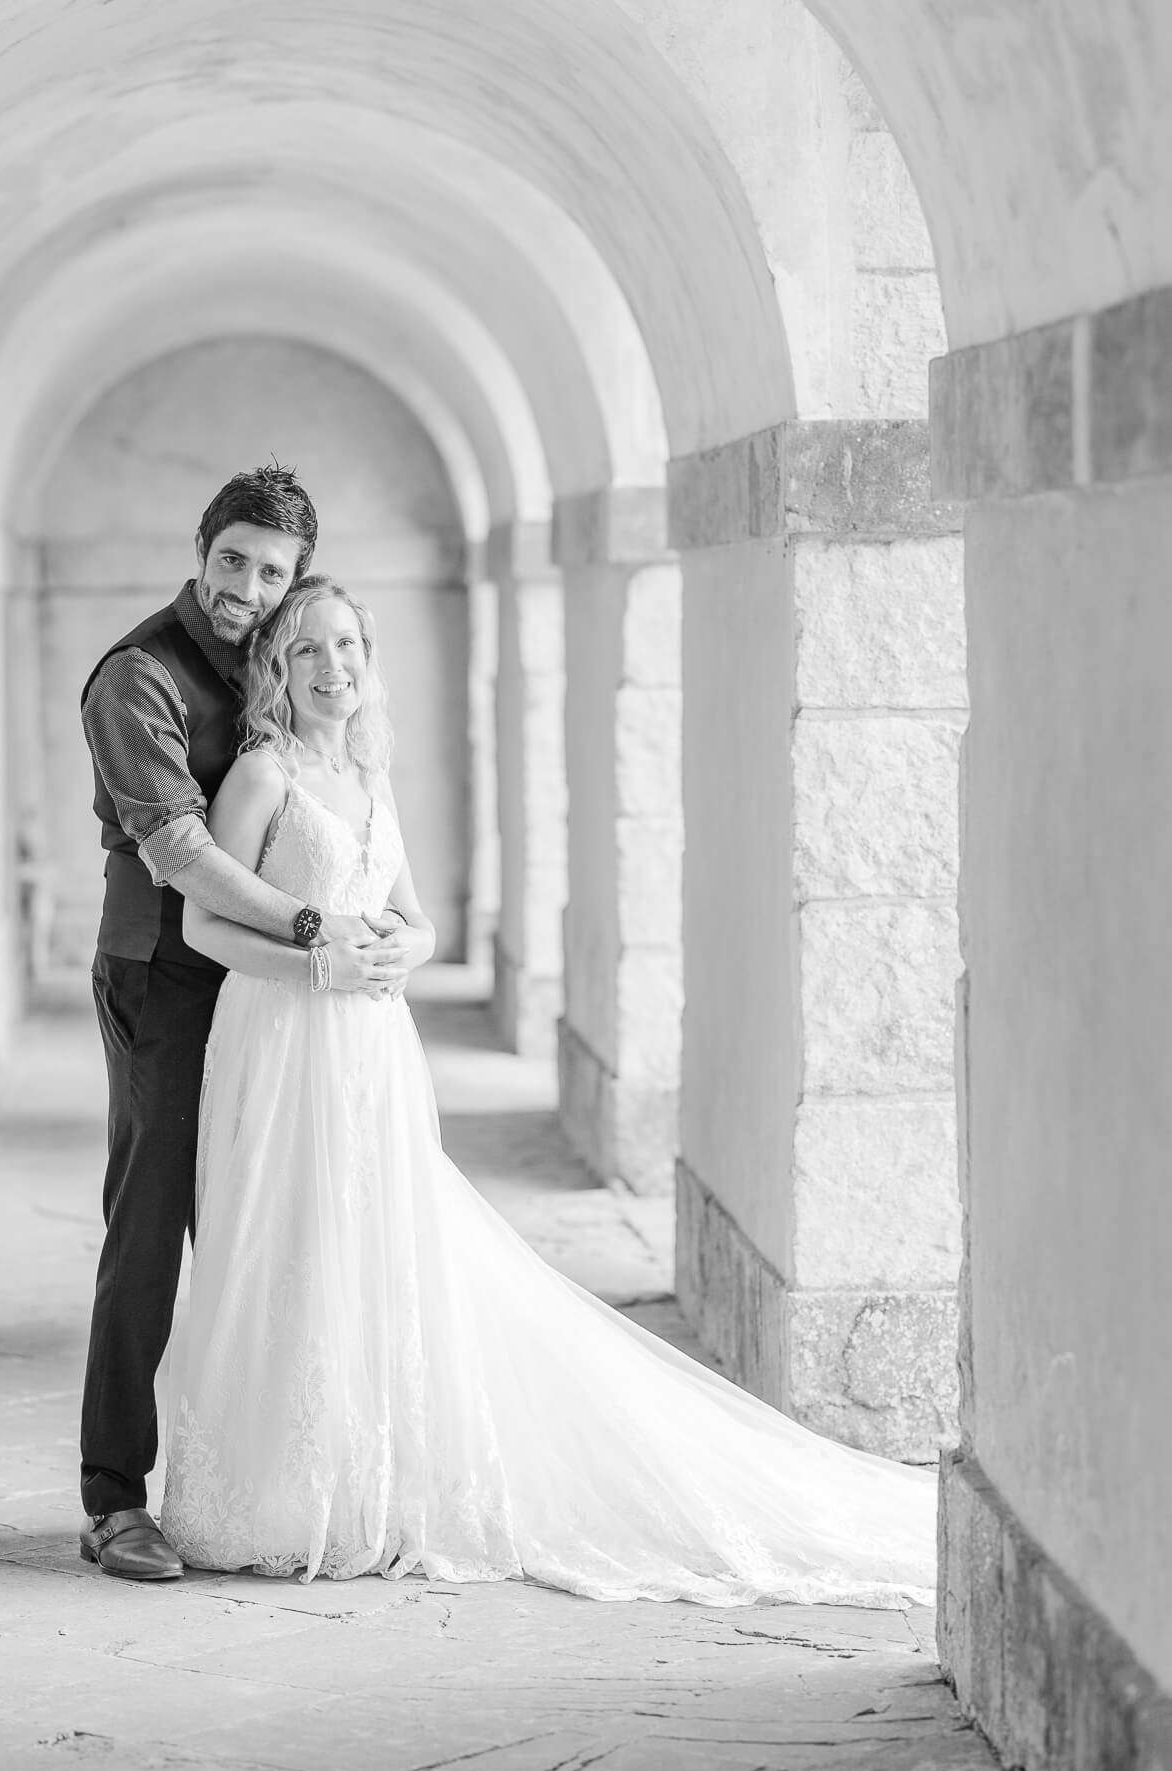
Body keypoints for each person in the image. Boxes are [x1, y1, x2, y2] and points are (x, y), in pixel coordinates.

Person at [158, 575, 936, 1608]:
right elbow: (203, 927)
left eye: (348, 647)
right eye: (307, 649)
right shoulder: (264, 773)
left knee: (371, 1242)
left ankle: (363, 1476)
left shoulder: (369, 775)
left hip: (370, 1048)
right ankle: (276, 1494)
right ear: (277, 667)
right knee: (285, 1239)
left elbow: (416, 918)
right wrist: (315, 966)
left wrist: (405, 949)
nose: (332, 669)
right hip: (280, 1036)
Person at [78, 468, 408, 1582]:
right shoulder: (137, 677)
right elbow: (183, 857)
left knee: (274, 1230)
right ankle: (114, 1496)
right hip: (167, 977)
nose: (247, 588)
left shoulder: (280, 664)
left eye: (272, 572)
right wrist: (319, 927)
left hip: (271, 996)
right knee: (152, 1222)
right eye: (233, 561)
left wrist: (363, 941)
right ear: (202, 548)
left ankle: (278, 1481)